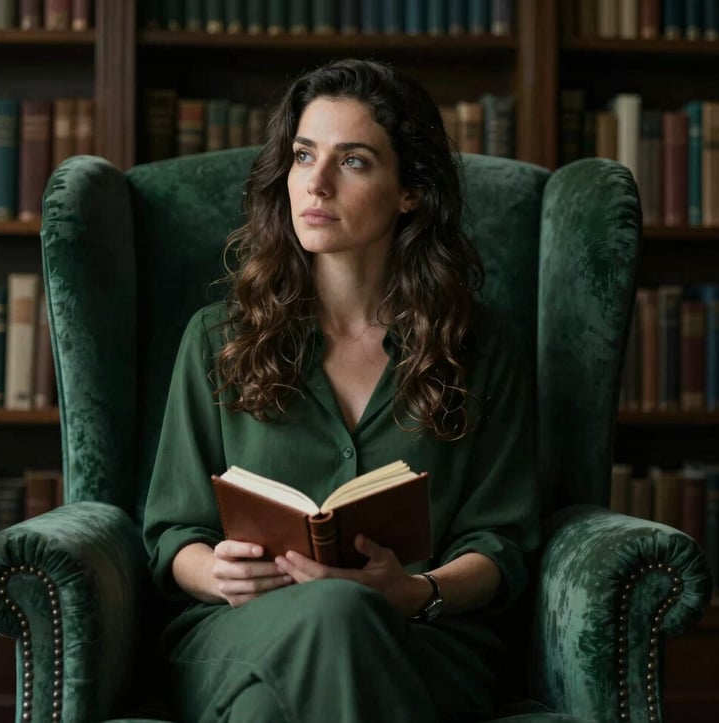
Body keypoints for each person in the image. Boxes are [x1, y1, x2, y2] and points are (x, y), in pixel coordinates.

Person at [143, 58, 539, 723]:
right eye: (303, 156)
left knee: (272, 704)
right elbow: (171, 531)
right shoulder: (217, 338)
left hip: (421, 639)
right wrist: (213, 571)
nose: (316, 183)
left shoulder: (482, 347)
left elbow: (503, 541)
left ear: (409, 189)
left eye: (352, 161)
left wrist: (414, 590)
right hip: (243, 633)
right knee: (320, 627)